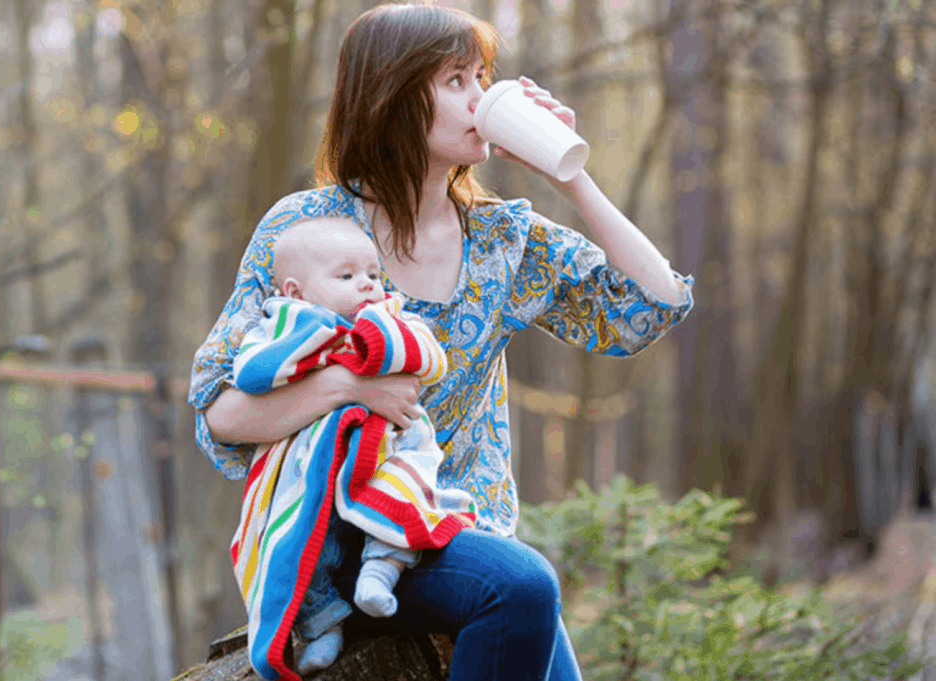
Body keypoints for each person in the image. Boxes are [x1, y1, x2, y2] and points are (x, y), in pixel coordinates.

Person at [188, 3, 694, 680]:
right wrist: (348, 385)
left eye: (484, 77)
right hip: (348, 538)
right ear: (393, 96)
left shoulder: (503, 240)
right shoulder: (307, 231)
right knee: (521, 585)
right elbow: (218, 410)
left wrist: (569, 174)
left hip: (466, 535)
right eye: (457, 80)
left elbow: (650, 307)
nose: (481, 98)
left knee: (519, 587)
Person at [231, 219, 479, 674]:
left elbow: (431, 359)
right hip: (316, 469)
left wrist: (371, 339)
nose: (366, 284)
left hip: (388, 452)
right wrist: (320, 342)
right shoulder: (285, 327)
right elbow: (252, 373)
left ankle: (382, 570)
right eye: (346, 277)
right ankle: (324, 625)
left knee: (404, 496)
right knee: (306, 543)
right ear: (296, 291)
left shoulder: (390, 319)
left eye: (372, 273)